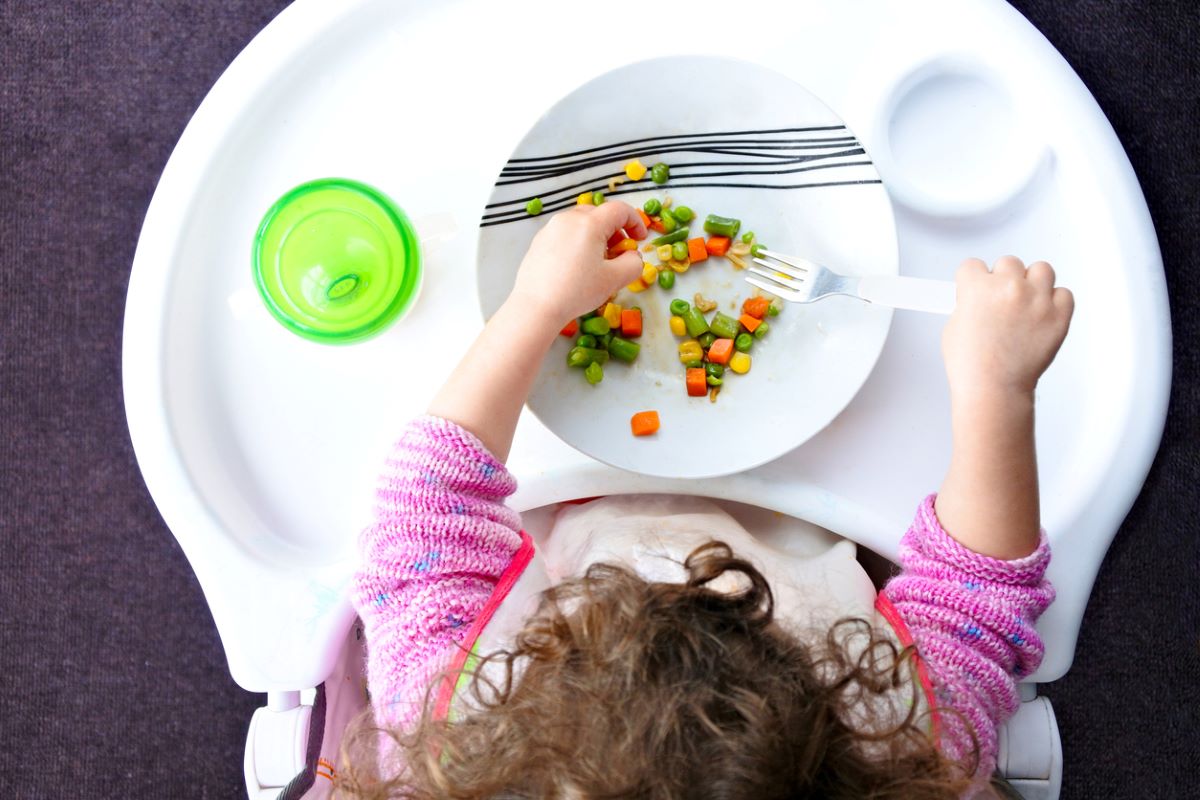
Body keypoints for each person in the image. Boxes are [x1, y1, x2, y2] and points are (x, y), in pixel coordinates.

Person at [339, 200, 1074, 799]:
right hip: (807, 512)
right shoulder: (906, 747)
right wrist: (997, 389)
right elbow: (974, 594)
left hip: (569, 507)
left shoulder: (444, 735)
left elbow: (423, 513)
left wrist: (533, 307)